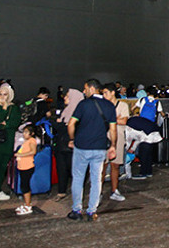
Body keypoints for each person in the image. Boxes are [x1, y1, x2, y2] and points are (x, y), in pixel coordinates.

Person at [67, 79, 117, 222]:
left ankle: (77, 210)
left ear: (92, 88)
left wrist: (72, 139)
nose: (84, 91)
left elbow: (71, 124)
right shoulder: (109, 106)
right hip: (100, 147)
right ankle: (91, 211)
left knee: (78, 178)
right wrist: (113, 145)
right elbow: (113, 129)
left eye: (85, 88)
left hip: (82, 146)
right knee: (96, 180)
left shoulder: (83, 104)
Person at [53, 88, 82, 202]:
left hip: (71, 146)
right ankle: (61, 191)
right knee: (61, 168)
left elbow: (72, 127)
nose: (64, 98)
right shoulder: (66, 110)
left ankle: (77, 193)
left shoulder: (78, 112)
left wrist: (59, 124)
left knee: (73, 169)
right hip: (61, 144)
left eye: (67, 96)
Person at [102, 83, 128, 202]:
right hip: (104, 137)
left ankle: (114, 190)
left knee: (115, 165)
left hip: (118, 137)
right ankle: (98, 191)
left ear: (113, 93)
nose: (104, 95)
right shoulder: (102, 106)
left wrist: (112, 120)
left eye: (106, 92)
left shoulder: (122, 105)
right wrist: (116, 119)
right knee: (102, 166)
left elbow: (124, 121)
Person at [15, 124, 37, 215]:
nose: (24, 134)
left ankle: (28, 206)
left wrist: (20, 155)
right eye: (24, 132)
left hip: (27, 167)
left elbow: (33, 151)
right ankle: (26, 204)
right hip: (22, 166)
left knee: (25, 186)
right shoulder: (26, 141)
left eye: (26, 132)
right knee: (23, 185)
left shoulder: (32, 141)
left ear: (32, 133)